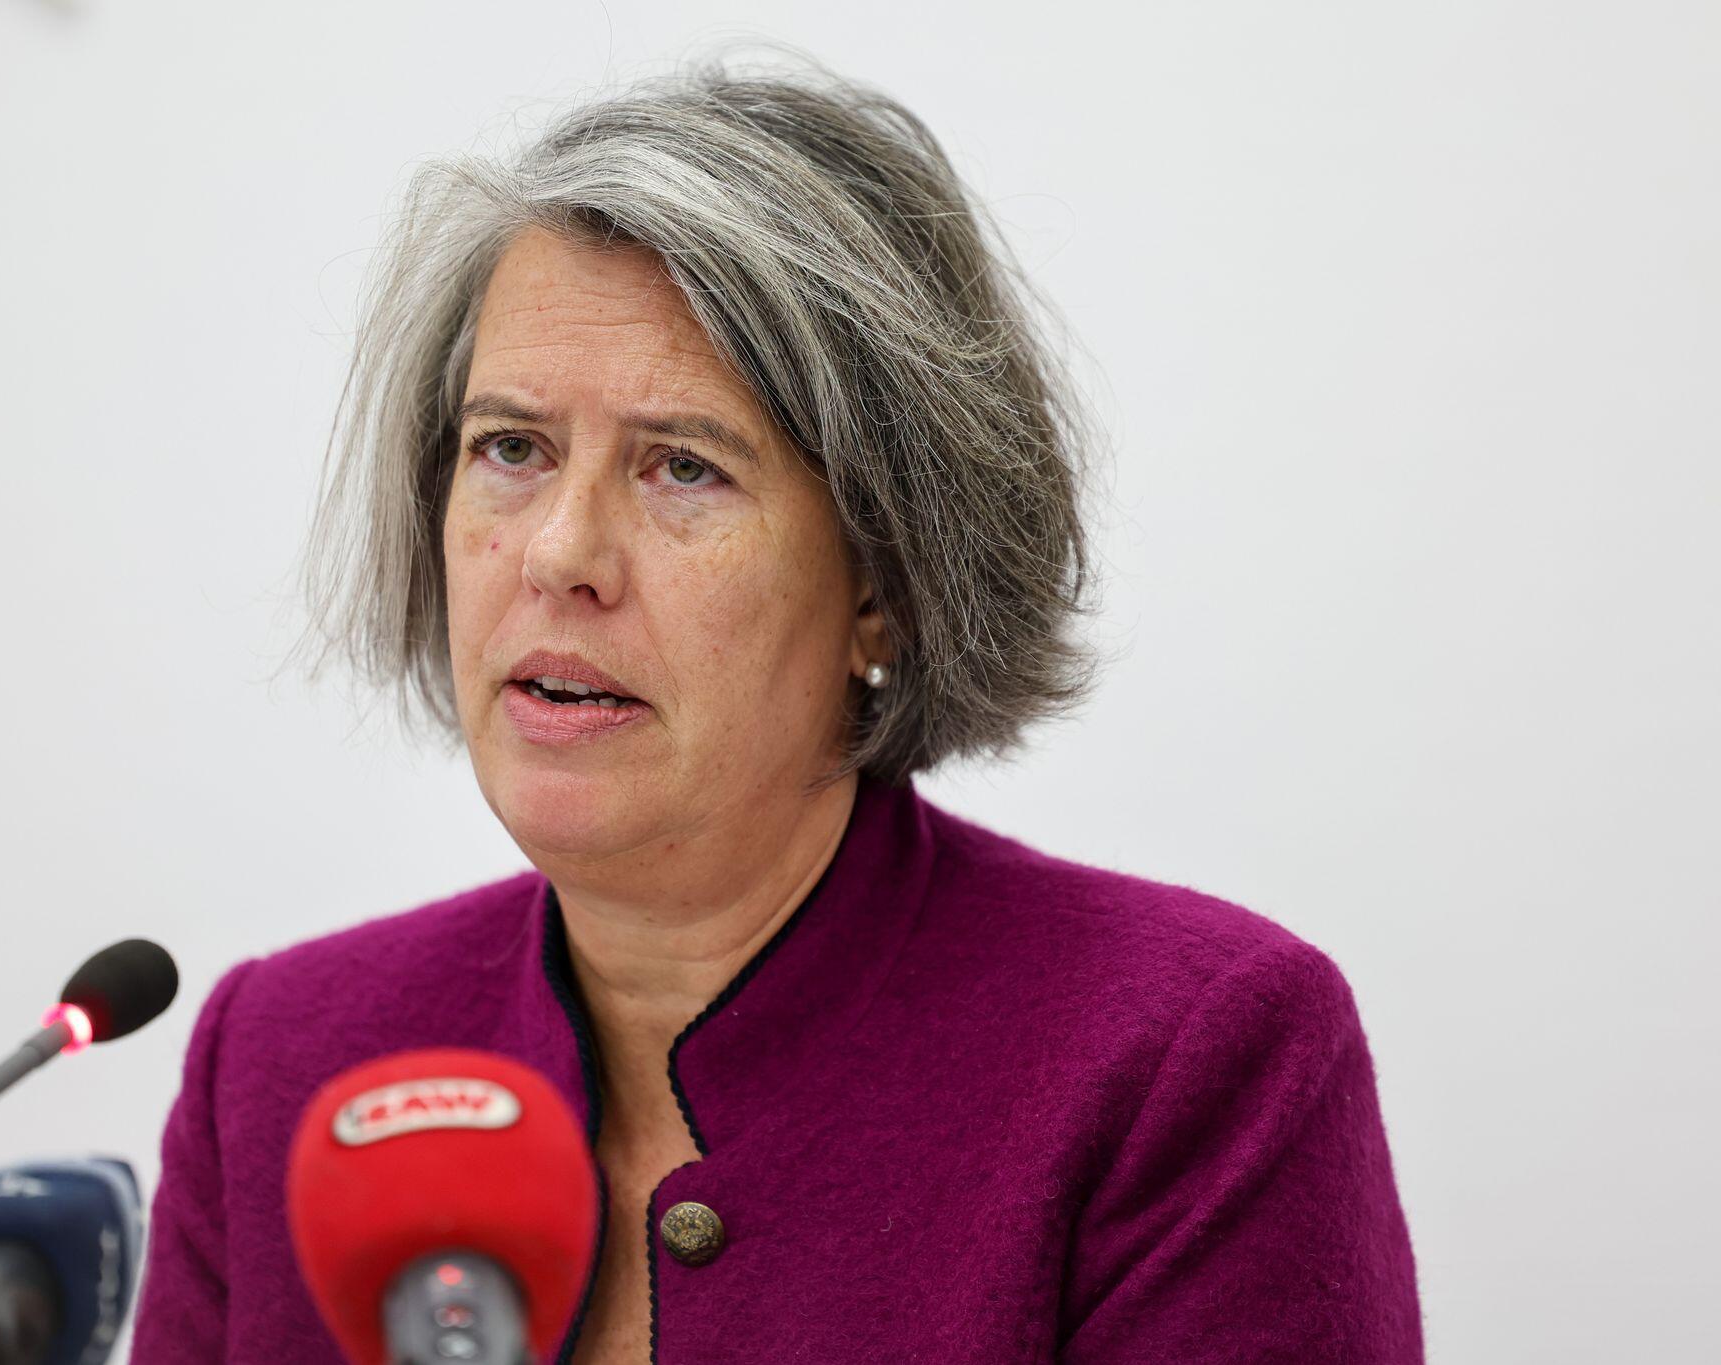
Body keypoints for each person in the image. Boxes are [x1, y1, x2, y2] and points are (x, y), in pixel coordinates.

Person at [130, 54, 1423, 1364]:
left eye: (684, 467)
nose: (560, 553)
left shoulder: (1184, 1064)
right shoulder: (284, 1064)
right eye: (511, 447)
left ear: (883, 583)